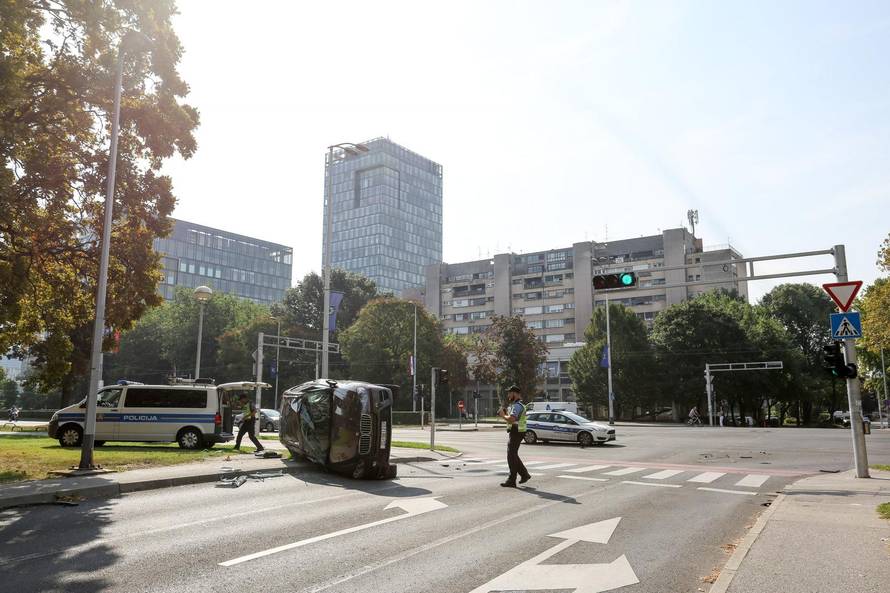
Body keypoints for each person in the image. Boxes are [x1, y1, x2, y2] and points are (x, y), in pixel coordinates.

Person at [497, 385, 531, 488]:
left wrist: (503, 415)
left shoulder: (517, 406)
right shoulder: (516, 405)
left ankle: (512, 479)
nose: (508, 395)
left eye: (509, 393)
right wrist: (505, 413)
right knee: (513, 455)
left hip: (517, 431)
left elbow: (511, 419)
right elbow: (513, 418)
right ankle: (524, 474)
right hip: (517, 431)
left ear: (514, 393)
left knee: (511, 455)